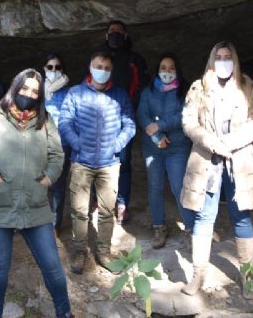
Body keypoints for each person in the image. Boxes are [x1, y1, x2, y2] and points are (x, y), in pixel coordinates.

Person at [0, 69, 73, 318]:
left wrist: (48, 178)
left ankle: (64, 312)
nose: (29, 94)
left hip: (34, 204)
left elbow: (57, 154)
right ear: (15, 88)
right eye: (24, 88)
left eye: (35, 91)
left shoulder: (44, 119)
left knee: (52, 266)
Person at [180, 41, 253, 296]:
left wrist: (230, 142)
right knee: (204, 218)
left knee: (241, 217)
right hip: (208, 159)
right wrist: (210, 142)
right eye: (218, 57)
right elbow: (188, 121)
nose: (223, 61)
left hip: (238, 159)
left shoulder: (247, 86)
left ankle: (248, 277)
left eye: (228, 56)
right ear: (211, 60)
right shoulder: (199, 87)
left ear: (235, 59)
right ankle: (197, 276)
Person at [59, 51, 136, 274]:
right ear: (90, 67)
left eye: (106, 67)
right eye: (97, 66)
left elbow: (129, 124)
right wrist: (78, 145)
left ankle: (103, 251)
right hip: (81, 162)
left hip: (109, 164)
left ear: (111, 71)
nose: (101, 70)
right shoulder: (75, 93)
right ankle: (79, 250)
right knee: (79, 210)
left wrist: (117, 145)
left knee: (106, 210)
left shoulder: (120, 95)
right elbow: (65, 123)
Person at [137, 53, 194, 249]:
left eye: (171, 68)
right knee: (155, 187)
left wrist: (160, 125)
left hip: (177, 146)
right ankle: (159, 227)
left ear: (177, 70)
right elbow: (142, 115)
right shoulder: (148, 90)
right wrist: (156, 137)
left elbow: (185, 115)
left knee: (179, 186)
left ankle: (190, 229)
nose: (167, 72)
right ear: (157, 69)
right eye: (163, 68)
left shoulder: (185, 91)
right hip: (152, 147)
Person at [101, 20, 148, 223]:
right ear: (106, 35)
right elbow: (89, 83)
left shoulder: (134, 59)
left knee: (123, 163)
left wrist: (130, 107)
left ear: (126, 35)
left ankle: (122, 204)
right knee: (99, 161)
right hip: (100, 118)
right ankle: (99, 202)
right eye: (112, 31)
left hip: (124, 117)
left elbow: (142, 86)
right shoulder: (99, 59)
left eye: (119, 32)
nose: (115, 34)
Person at [42, 54, 72, 237]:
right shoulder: (37, 91)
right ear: (44, 69)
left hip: (62, 144)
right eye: (50, 67)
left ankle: (54, 224)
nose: (54, 71)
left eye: (57, 67)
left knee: (58, 186)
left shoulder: (69, 92)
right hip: (39, 144)